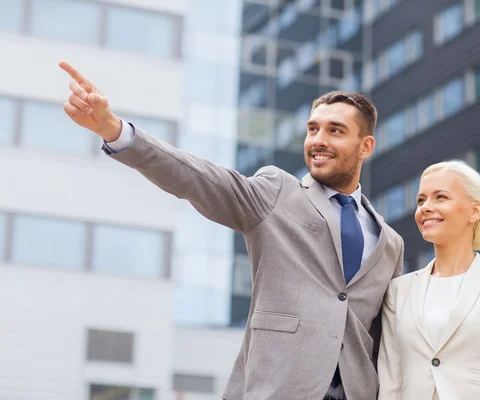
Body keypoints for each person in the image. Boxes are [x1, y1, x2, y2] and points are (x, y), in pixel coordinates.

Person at [59, 61, 404, 400]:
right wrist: (116, 131)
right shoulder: (277, 193)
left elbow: (388, 341)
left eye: (335, 131)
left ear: (366, 146)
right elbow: (197, 178)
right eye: (313, 129)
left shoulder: (389, 243)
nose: (318, 140)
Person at [378, 160, 480, 400]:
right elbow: (390, 382)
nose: (426, 207)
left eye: (440, 197)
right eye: (421, 200)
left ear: (474, 211)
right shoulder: (398, 290)